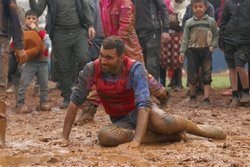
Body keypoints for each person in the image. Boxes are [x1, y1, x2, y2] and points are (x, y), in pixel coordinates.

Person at [62, 36, 226, 148]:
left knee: (164, 123)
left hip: (145, 112)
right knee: (105, 137)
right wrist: (64, 138)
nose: (103, 61)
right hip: (121, 120)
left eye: (109, 57)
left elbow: (144, 104)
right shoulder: (92, 69)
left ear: (121, 57)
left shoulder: (134, 67)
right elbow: (75, 101)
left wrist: (138, 141)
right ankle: (168, 138)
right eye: (101, 55)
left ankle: (197, 129)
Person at [77, 0, 170, 123]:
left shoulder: (125, 3)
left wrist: (113, 47)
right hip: (112, 46)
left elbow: (125, 27)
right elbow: (105, 26)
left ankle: (162, 94)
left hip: (129, 46)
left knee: (142, 75)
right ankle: (89, 109)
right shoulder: (103, 2)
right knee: (101, 73)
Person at [29, 0, 96, 109]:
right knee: (62, 66)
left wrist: (90, 25)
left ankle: (82, 93)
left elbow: (85, 6)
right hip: (59, 33)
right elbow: (36, 11)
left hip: (78, 30)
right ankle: (67, 96)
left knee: (84, 58)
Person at [179, 0, 219, 105]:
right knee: (192, 75)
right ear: (192, 8)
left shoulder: (211, 21)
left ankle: (206, 98)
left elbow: (216, 35)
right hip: (192, 51)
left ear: (206, 8)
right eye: (195, 7)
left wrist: (213, 46)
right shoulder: (189, 23)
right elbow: (185, 39)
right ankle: (192, 96)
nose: (198, 9)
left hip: (206, 51)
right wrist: (182, 52)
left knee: (207, 74)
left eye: (200, 6)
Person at [0, 0, 27, 148]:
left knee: (0, 88)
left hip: (1, 39)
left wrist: (19, 45)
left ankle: (0, 137)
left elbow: (13, 13)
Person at [15, 10, 51, 113]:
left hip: (42, 61)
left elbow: (46, 41)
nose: (31, 20)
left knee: (44, 83)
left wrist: (36, 29)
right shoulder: (21, 31)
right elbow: (15, 43)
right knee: (24, 83)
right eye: (29, 18)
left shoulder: (41, 30)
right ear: (25, 20)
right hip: (29, 62)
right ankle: (20, 104)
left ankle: (43, 102)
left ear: (37, 20)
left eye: (33, 18)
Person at [219, 0, 250, 107]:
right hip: (229, 39)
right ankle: (235, 95)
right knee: (231, 68)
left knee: (239, 67)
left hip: (245, 40)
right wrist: (221, 39)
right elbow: (223, 22)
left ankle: (246, 93)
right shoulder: (228, 3)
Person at [133, 0, 170, 81]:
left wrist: (165, 30)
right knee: (140, 65)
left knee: (152, 64)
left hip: (153, 31)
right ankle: (145, 91)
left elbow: (163, 8)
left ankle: (154, 92)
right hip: (137, 33)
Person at [160, 0, 189, 90]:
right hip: (166, 34)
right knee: (164, 59)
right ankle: (163, 83)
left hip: (178, 35)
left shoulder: (187, 4)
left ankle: (178, 82)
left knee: (177, 58)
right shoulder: (166, 3)